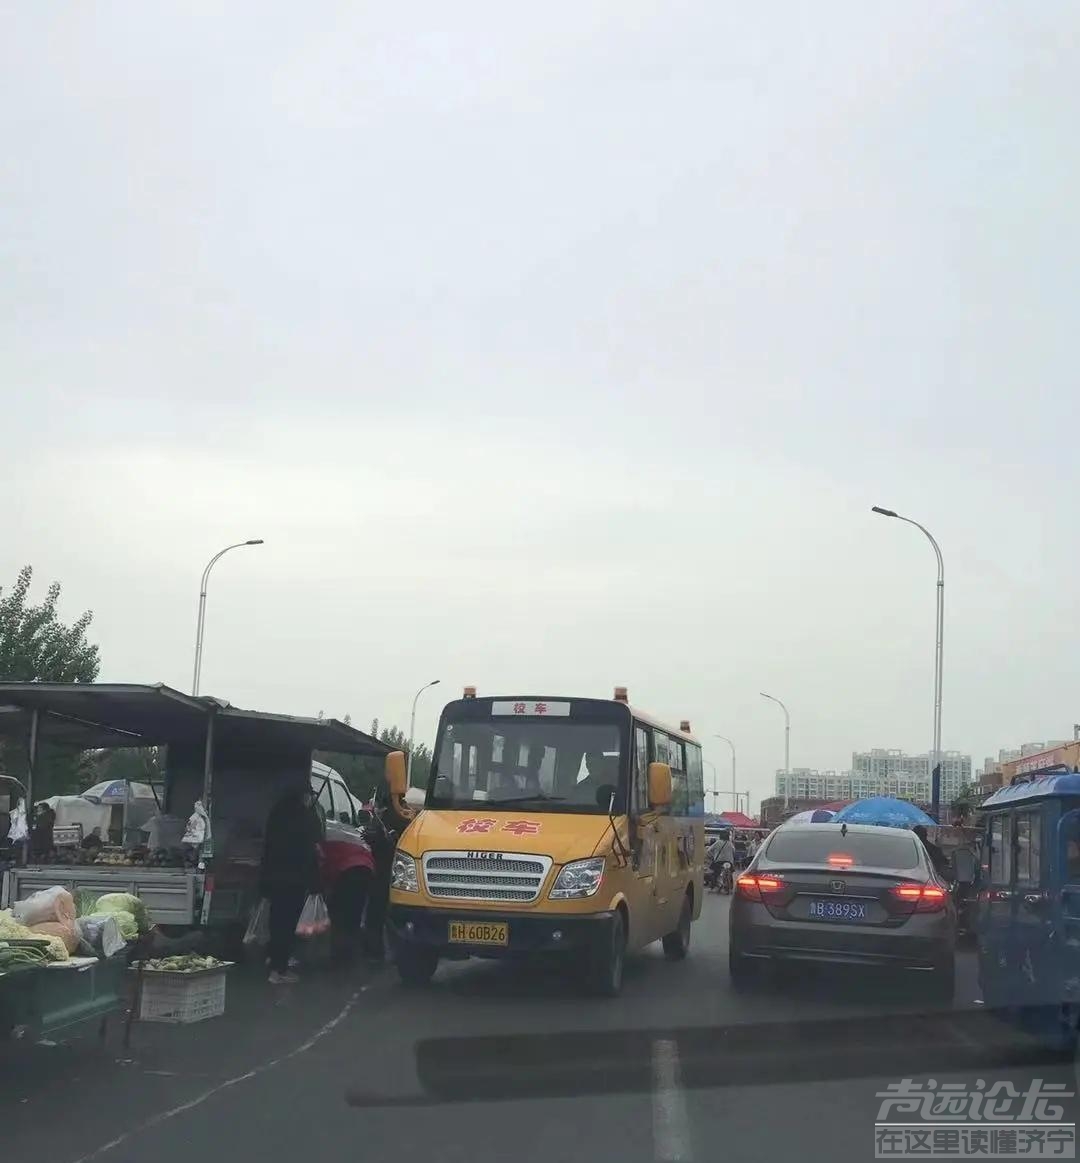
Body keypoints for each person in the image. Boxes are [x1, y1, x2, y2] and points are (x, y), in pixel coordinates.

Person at [260, 787, 322, 984]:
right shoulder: (304, 819)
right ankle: (279, 970)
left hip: (274, 877)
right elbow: (310, 851)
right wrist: (314, 883)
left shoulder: (276, 815)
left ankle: (273, 960)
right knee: (287, 925)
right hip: (294, 880)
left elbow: (267, 848)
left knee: (276, 920)